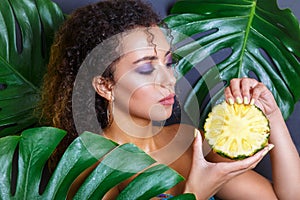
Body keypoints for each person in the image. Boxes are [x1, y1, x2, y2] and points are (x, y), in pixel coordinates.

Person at [40, 0, 300, 199]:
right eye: (145, 68)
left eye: (168, 63)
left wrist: (273, 116)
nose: (169, 80)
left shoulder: (188, 141)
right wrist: (198, 189)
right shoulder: (90, 162)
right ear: (105, 86)